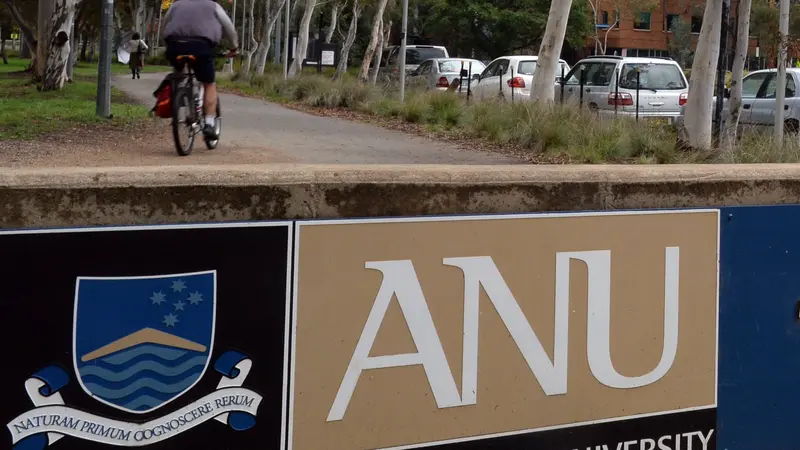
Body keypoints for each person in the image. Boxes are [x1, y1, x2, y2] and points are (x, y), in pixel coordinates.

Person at [162, 0, 238, 139]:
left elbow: (165, 23)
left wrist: (167, 42)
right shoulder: (213, 6)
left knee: (178, 74)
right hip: (201, 47)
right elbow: (229, 28)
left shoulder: (176, 4)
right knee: (209, 83)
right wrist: (233, 47)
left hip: (175, 45)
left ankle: (176, 99)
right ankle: (209, 124)